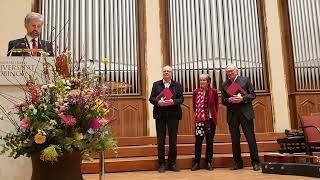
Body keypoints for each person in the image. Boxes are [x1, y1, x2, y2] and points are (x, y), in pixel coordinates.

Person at [221, 64, 260, 171]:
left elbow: (253, 95)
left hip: (245, 113)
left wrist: (242, 98)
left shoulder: (245, 80)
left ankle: (255, 162)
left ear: (236, 71)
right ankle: (238, 163)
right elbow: (223, 100)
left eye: (232, 71)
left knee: (250, 138)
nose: (230, 73)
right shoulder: (224, 84)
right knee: (235, 139)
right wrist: (229, 100)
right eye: (228, 71)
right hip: (232, 114)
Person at [149, 65, 184, 173]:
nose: (166, 73)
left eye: (168, 71)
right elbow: (151, 98)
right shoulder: (156, 84)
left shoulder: (177, 85)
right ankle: (162, 164)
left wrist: (173, 101)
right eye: (164, 71)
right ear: (162, 73)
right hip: (160, 115)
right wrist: (158, 102)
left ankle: (172, 163)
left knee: (173, 140)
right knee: (161, 141)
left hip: (173, 115)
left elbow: (181, 98)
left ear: (171, 73)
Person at [191, 74, 218, 171]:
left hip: (210, 121)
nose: (202, 82)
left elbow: (216, 106)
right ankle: (197, 162)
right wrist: (200, 116)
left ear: (208, 82)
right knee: (198, 141)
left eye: (204, 80)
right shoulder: (195, 92)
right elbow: (194, 106)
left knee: (209, 141)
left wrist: (211, 117)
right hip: (200, 121)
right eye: (200, 80)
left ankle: (209, 162)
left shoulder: (213, 91)